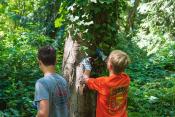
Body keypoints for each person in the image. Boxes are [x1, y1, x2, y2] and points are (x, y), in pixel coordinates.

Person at [81, 50, 130, 117]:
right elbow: (117, 67)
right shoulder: (126, 79)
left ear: (110, 65)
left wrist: (87, 67)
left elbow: (85, 80)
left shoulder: (103, 82)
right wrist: (104, 58)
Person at [34, 46, 69, 117]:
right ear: (55, 61)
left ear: (39, 62)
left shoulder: (41, 83)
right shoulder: (63, 80)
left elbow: (43, 113)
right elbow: (67, 105)